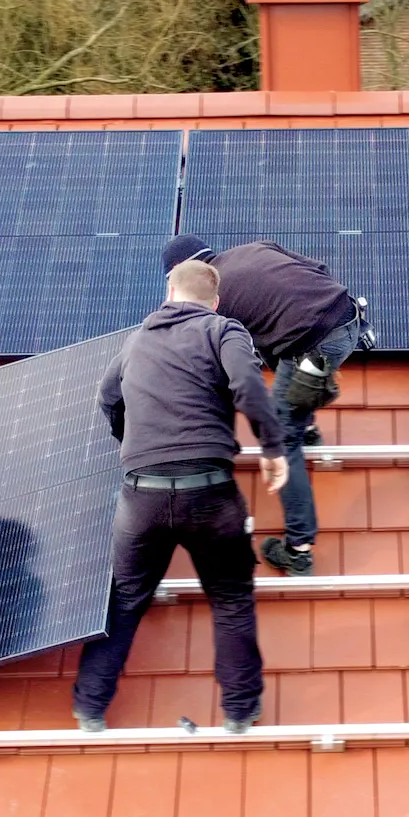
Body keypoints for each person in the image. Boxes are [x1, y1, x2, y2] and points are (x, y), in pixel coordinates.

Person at [73, 259, 289, 733]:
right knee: (231, 598)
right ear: (214, 301)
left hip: (141, 495)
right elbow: (248, 386)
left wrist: (135, 442)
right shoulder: (223, 330)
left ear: (169, 293)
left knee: (126, 598)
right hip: (209, 493)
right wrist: (272, 448)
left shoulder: (137, 339)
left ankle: (90, 706)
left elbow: (108, 398)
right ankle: (239, 711)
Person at [161, 234, 366, 578]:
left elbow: (218, 365)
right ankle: (309, 426)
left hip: (314, 345)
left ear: (183, 274)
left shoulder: (211, 300)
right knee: (287, 365)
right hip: (347, 316)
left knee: (283, 442)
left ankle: (299, 550)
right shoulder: (255, 247)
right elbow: (318, 269)